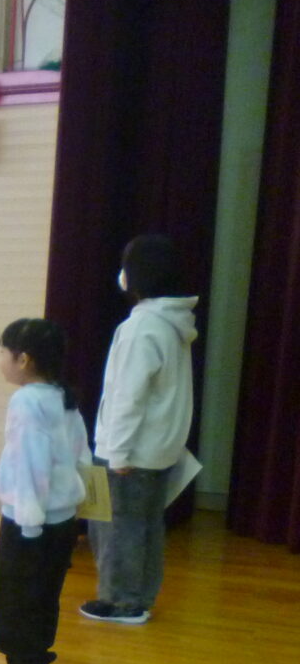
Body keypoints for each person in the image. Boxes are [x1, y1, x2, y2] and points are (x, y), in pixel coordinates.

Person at [83, 234, 201, 626]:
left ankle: (121, 601)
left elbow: (128, 397)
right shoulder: (173, 323)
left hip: (129, 451)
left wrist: (116, 452)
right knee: (146, 525)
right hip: (159, 451)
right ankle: (138, 597)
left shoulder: (142, 327)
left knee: (116, 528)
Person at [0, 319, 90, 664]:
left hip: (30, 523)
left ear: (23, 359)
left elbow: (29, 464)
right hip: (61, 520)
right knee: (44, 595)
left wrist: (28, 525)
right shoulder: (63, 396)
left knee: (16, 597)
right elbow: (82, 458)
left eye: (2, 352)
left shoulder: (26, 401)